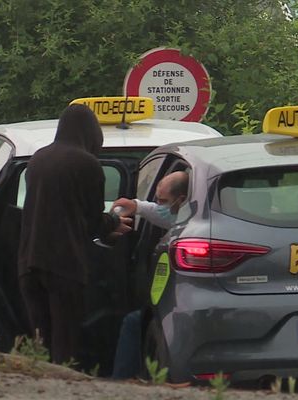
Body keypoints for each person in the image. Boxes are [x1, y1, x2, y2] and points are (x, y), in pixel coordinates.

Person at [17, 104, 132, 365]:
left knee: (41, 339)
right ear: (91, 133)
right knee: (64, 341)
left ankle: (38, 388)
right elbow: (92, 220)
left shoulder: (37, 159)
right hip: (63, 265)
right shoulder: (87, 163)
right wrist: (114, 221)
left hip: (28, 262)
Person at [110, 171, 189, 379]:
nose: (159, 204)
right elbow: (165, 215)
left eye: (163, 200)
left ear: (181, 200)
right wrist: (137, 206)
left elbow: (170, 219)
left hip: (183, 303)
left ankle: (119, 384)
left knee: (134, 323)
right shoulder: (192, 217)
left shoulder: (188, 228)